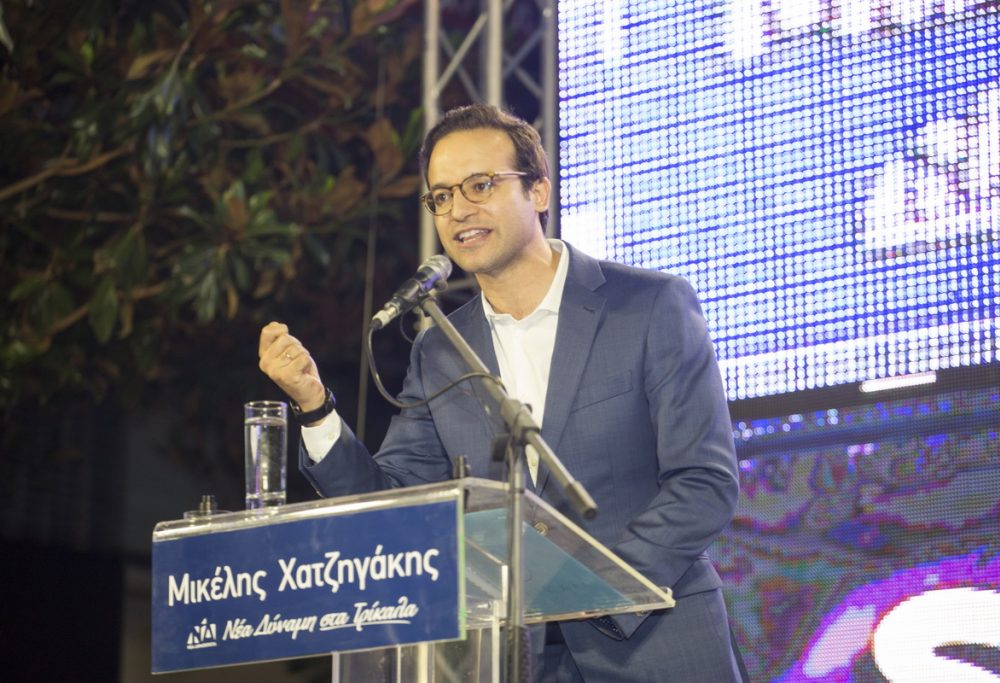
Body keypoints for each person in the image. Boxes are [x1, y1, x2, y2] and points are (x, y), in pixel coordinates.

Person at [259, 104, 745, 682]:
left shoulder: (648, 305)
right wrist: (316, 407)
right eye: (442, 196)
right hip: (517, 660)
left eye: (480, 185)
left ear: (538, 190)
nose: (458, 209)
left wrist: (602, 592)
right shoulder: (440, 349)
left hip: (654, 643)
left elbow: (704, 480)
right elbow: (395, 506)